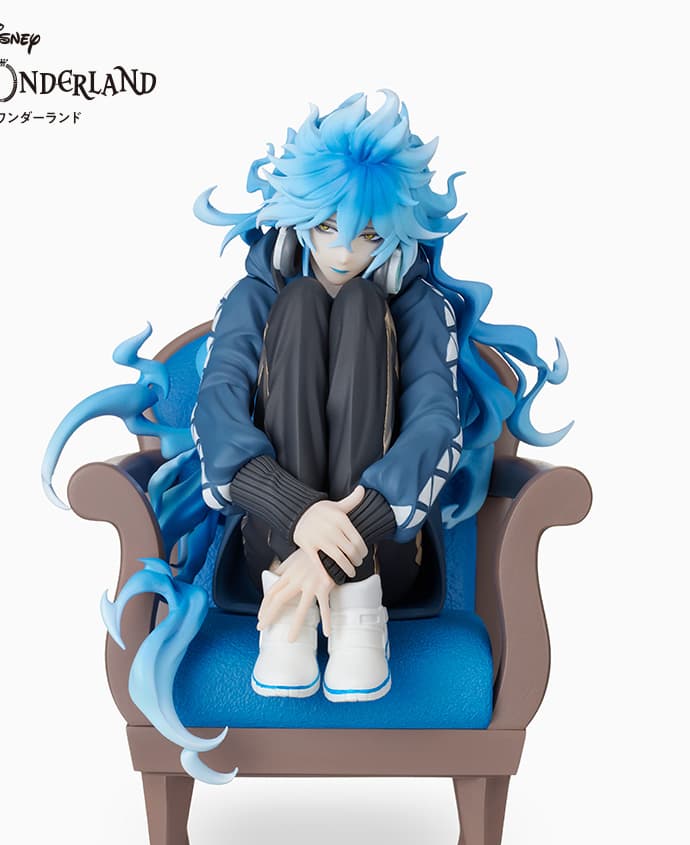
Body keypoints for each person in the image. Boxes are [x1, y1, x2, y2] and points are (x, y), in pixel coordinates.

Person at [190, 90, 568, 705]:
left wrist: (332, 550)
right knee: (301, 302)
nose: (343, 252)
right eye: (327, 228)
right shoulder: (252, 299)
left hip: (386, 550)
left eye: (367, 235)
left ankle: (350, 607)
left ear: (394, 234)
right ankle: (290, 610)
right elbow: (216, 412)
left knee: (363, 304)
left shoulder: (422, 308)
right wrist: (299, 515)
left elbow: (435, 427)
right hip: (270, 541)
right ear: (298, 220)